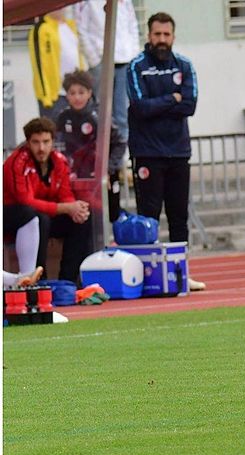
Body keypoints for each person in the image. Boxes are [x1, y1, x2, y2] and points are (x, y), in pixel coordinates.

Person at [127, 12, 205, 291]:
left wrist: (159, 104)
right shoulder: (136, 67)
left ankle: (181, 274)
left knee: (178, 216)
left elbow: (190, 106)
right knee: (148, 216)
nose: (162, 39)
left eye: (166, 35)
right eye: (157, 34)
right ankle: (148, 278)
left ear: (173, 36)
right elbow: (139, 108)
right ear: (148, 36)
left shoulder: (184, 65)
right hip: (147, 152)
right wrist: (171, 99)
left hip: (178, 151)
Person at [3, 118, 93, 285]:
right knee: (37, 217)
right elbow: (26, 201)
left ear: (53, 141)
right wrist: (64, 207)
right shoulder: (16, 162)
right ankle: (39, 279)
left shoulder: (59, 161)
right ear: (28, 143)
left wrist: (74, 208)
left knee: (82, 218)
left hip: (42, 215)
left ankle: (68, 281)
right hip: (13, 217)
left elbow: (65, 194)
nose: (41, 148)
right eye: (36, 142)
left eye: (46, 142)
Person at [76, 0, 141, 176]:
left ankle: (120, 164)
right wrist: (95, 58)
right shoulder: (86, 2)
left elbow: (132, 25)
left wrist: (133, 53)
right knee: (101, 115)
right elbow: (80, 27)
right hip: (101, 61)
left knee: (122, 115)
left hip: (124, 60)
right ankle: (100, 162)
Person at [57, 70, 126, 221]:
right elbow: (57, 146)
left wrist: (107, 169)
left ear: (89, 93)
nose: (77, 97)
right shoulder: (63, 117)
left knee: (109, 215)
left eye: (81, 92)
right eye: (72, 93)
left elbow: (119, 143)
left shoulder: (99, 116)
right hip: (76, 179)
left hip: (103, 177)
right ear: (66, 95)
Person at [28, 8, 86, 120]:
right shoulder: (41, 29)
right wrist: (46, 96)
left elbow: (78, 57)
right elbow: (39, 65)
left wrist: (83, 86)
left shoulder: (71, 26)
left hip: (75, 93)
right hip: (55, 95)